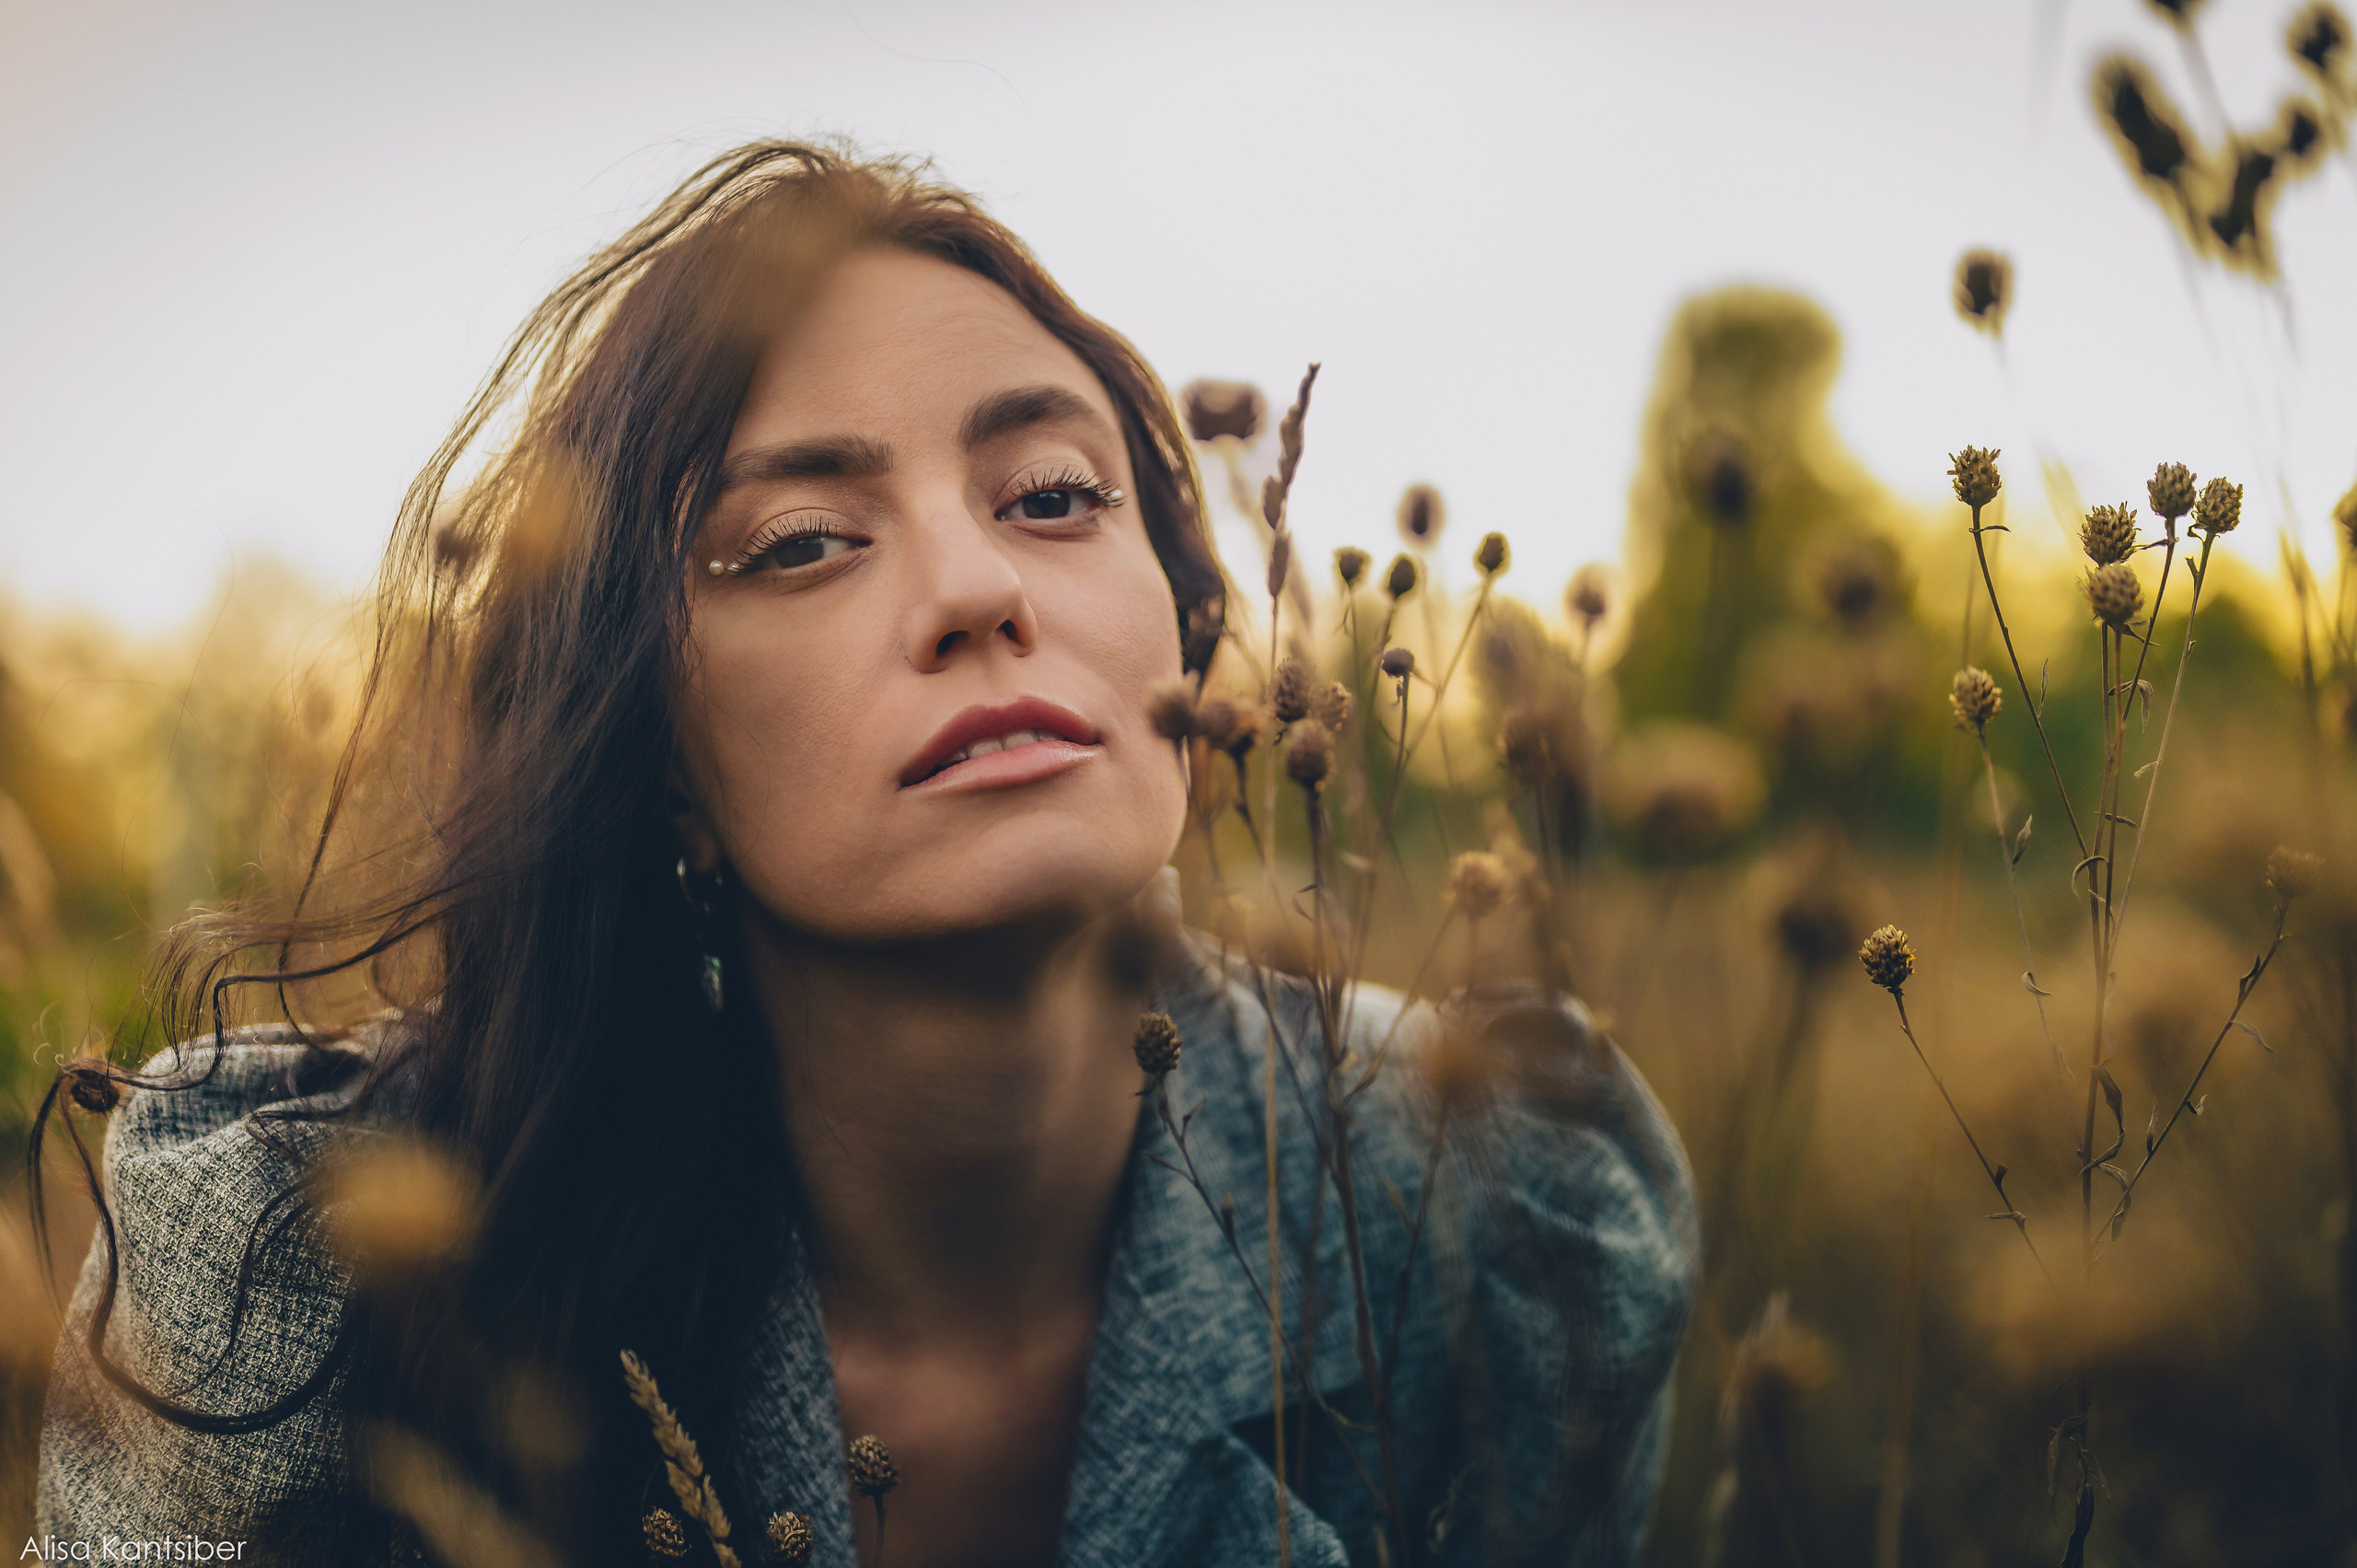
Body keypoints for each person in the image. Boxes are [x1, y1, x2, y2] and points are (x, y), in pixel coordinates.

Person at [29, 142, 1695, 1568]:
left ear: (1190, 639)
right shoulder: (290, 1274)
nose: (977, 587)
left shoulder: (1500, 1211)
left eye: (1054, 493)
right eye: (804, 541)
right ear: (652, 760)